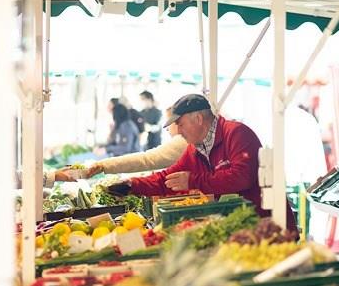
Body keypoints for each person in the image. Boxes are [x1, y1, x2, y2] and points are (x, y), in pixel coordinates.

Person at [108, 94, 297, 230]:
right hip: (240, 226)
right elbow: (168, 179)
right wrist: (132, 186)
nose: (178, 131)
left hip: (269, 226)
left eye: (180, 124)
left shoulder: (237, 133)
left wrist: (193, 181)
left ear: (198, 119)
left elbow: (241, 177)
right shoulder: (195, 149)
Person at [85, 107, 187, 177]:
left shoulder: (184, 141)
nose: (167, 128)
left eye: (169, 123)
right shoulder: (188, 140)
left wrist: (103, 165)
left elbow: (146, 160)